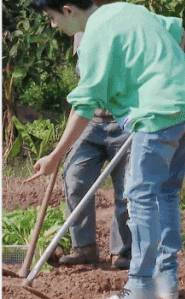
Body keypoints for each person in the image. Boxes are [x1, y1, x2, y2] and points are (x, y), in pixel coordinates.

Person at [29, 0, 185, 299]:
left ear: (69, 10)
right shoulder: (129, 9)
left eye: (52, 17)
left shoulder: (95, 36)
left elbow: (84, 106)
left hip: (159, 114)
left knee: (140, 195)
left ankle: (139, 286)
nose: (53, 26)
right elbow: (176, 31)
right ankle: (167, 279)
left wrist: (56, 155)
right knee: (166, 194)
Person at [59, 13, 131, 269]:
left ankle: (123, 252)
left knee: (127, 189)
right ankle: (84, 247)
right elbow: (86, 89)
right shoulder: (80, 28)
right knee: (74, 176)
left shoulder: (124, 26)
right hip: (91, 121)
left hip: (127, 121)